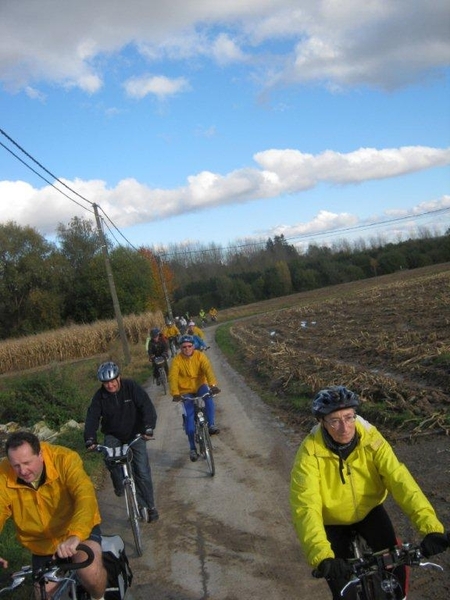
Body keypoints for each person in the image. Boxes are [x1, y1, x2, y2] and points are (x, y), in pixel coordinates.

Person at [290, 385, 449, 600]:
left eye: (349, 417)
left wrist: (431, 528)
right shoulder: (309, 453)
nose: (344, 427)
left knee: (396, 575)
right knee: (343, 589)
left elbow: (400, 480)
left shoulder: (371, 440)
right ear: (322, 423)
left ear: (355, 415)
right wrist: (322, 557)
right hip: (332, 521)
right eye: (334, 421)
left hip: (369, 511)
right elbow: (305, 505)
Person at [0, 431, 107, 600]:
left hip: (76, 531)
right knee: (44, 595)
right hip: (43, 543)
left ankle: (98, 597)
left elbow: (85, 496)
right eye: (16, 466)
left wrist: (75, 535)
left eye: (27, 463)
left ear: (40, 454)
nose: (23, 471)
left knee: (91, 572)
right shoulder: (4, 473)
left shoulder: (64, 459)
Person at [84, 361, 159, 523]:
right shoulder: (99, 397)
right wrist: (90, 438)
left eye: (112, 381)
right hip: (113, 435)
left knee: (142, 472)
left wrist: (148, 427)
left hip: (135, 433)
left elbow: (146, 406)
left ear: (119, 378)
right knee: (109, 458)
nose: (110, 386)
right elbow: (92, 417)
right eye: (106, 383)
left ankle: (150, 507)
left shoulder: (131, 387)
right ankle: (118, 482)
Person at [169, 334, 221, 462]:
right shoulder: (177, 360)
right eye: (184, 347)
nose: (187, 349)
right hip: (185, 390)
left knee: (208, 398)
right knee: (189, 418)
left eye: (189, 346)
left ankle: (211, 425)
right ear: (180, 348)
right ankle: (192, 448)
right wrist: (175, 393)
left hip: (200, 386)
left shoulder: (200, 356)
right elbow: (173, 377)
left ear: (193, 346)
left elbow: (208, 369)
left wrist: (212, 385)